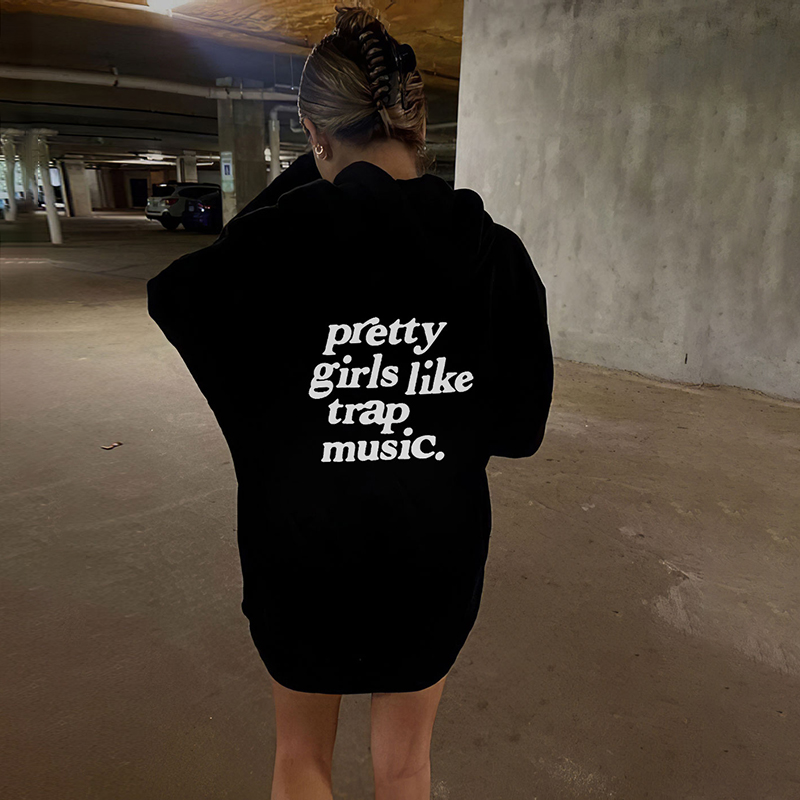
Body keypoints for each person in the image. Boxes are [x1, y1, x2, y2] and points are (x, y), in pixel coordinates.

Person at [146, 4, 554, 799]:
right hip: (432, 555)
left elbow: (179, 294)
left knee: (300, 759)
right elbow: (519, 429)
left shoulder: (268, 250)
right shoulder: (495, 256)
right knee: (405, 767)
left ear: (313, 132)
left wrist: (315, 177)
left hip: (301, 554)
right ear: (417, 123)